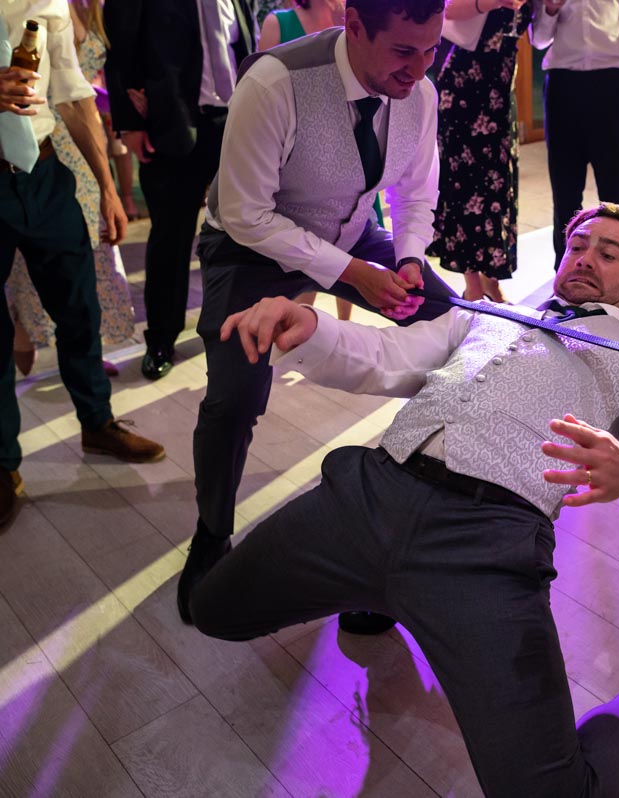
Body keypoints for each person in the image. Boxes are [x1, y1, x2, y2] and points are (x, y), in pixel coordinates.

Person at [189, 202, 619, 798]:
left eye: (608, 252)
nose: (585, 258)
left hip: (488, 546)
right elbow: (390, 357)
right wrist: (312, 327)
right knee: (213, 610)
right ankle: (380, 589)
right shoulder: (482, 315)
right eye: (578, 244)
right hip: (370, 492)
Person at [179, 0, 458, 628]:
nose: (418, 70)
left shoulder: (421, 92)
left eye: (431, 50)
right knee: (234, 397)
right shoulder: (276, 82)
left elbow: (416, 190)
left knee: (449, 320)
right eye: (403, 52)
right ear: (354, 26)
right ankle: (211, 532)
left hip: (354, 233)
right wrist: (350, 273)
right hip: (251, 246)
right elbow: (246, 212)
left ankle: (418, 508)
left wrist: (409, 258)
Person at [0, 0, 166, 528]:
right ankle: (4, 465)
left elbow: (72, 94)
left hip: (45, 174)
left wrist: (109, 192)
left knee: (80, 311)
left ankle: (97, 423)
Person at [103, 0, 258, 380]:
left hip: (234, 122)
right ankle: (161, 338)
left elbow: (245, 46)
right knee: (170, 237)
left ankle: (238, 326)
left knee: (243, 232)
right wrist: (130, 124)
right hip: (172, 125)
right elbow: (120, 50)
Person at [6, 0, 136, 378]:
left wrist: (110, 185)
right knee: (30, 255)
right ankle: (24, 328)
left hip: (82, 135)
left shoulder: (96, 11)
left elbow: (82, 91)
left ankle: (86, 352)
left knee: (90, 248)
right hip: (41, 136)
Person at [530, 0, 619, 265]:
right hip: (562, 86)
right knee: (564, 192)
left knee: (617, 192)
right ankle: (565, 274)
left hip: (612, 87)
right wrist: (550, 10)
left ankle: (618, 274)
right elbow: (538, 40)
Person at [258, 0, 359, 323]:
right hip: (298, 156)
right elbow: (258, 92)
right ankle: (299, 327)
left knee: (354, 240)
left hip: (351, 146)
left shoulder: (351, 19)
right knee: (306, 250)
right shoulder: (278, 23)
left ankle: (345, 325)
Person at [426, 0, 532, 302]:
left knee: (499, 185)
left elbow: (538, 31)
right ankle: (472, 283)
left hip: (500, 90)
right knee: (465, 185)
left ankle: (491, 278)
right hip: (464, 85)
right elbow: (447, 8)